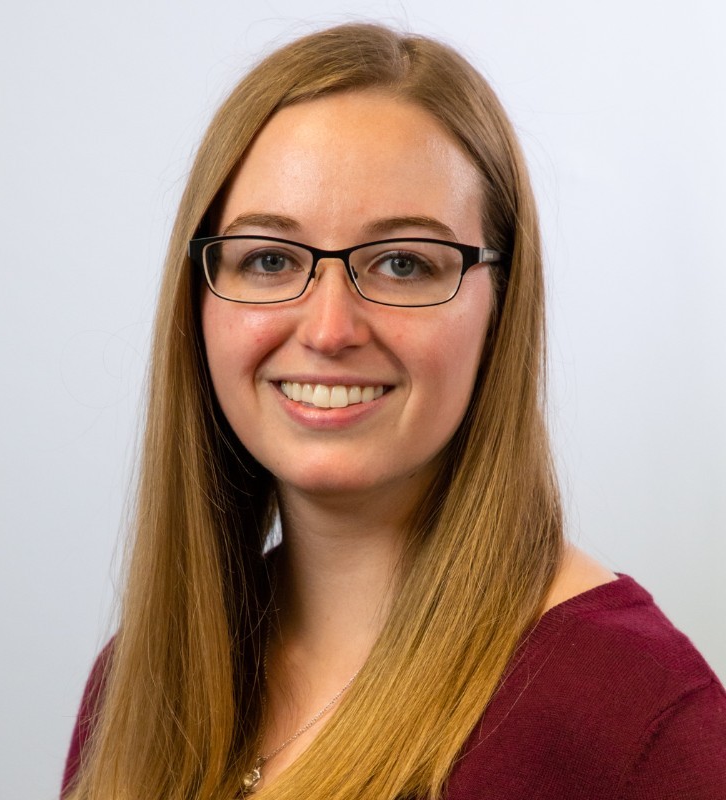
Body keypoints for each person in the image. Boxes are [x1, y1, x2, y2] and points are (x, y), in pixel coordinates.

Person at [60, 22, 726, 800]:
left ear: (501, 309)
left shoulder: (633, 718)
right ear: (199, 301)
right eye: (270, 259)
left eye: (404, 263)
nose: (329, 329)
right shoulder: (137, 687)